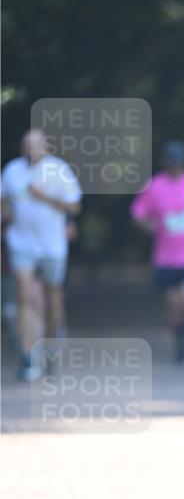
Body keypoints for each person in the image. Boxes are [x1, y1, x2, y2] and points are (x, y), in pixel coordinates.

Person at [0, 128, 82, 381]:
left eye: (35, 145)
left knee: (51, 299)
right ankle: (27, 356)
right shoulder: (12, 171)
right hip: (21, 243)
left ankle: (50, 348)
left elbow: (74, 206)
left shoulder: (58, 170)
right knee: (24, 296)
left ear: (45, 147)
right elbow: (3, 201)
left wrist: (43, 196)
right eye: (26, 145)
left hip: (52, 246)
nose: (30, 149)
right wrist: (6, 214)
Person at [131, 140, 184, 363]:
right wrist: (150, 225)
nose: (174, 166)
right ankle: (181, 344)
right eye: (170, 162)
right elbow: (138, 213)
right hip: (166, 258)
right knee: (174, 306)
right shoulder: (154, 186)